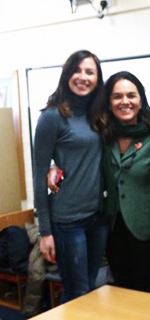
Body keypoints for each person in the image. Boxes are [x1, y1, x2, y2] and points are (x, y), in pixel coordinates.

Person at [33, 50, 108, 303]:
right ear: (67, 75)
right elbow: (38, 177)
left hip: (97, 217)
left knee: (89, 286)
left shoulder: (99, 115)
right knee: (77, 294)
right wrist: (45, 232)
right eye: (77, 70)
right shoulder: (52, 116)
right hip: (67, 222)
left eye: (90, 72)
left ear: (98, 79)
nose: (83, 77)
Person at [101, 71, 150, 293]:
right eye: (117, 96)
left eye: (131, 95)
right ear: (108, 103)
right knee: (121, 289)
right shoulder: (102, 136)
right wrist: (53, 165)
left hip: (145, 226)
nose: (124, 102)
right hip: (112, 225)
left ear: (141, 100)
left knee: (145, 288)